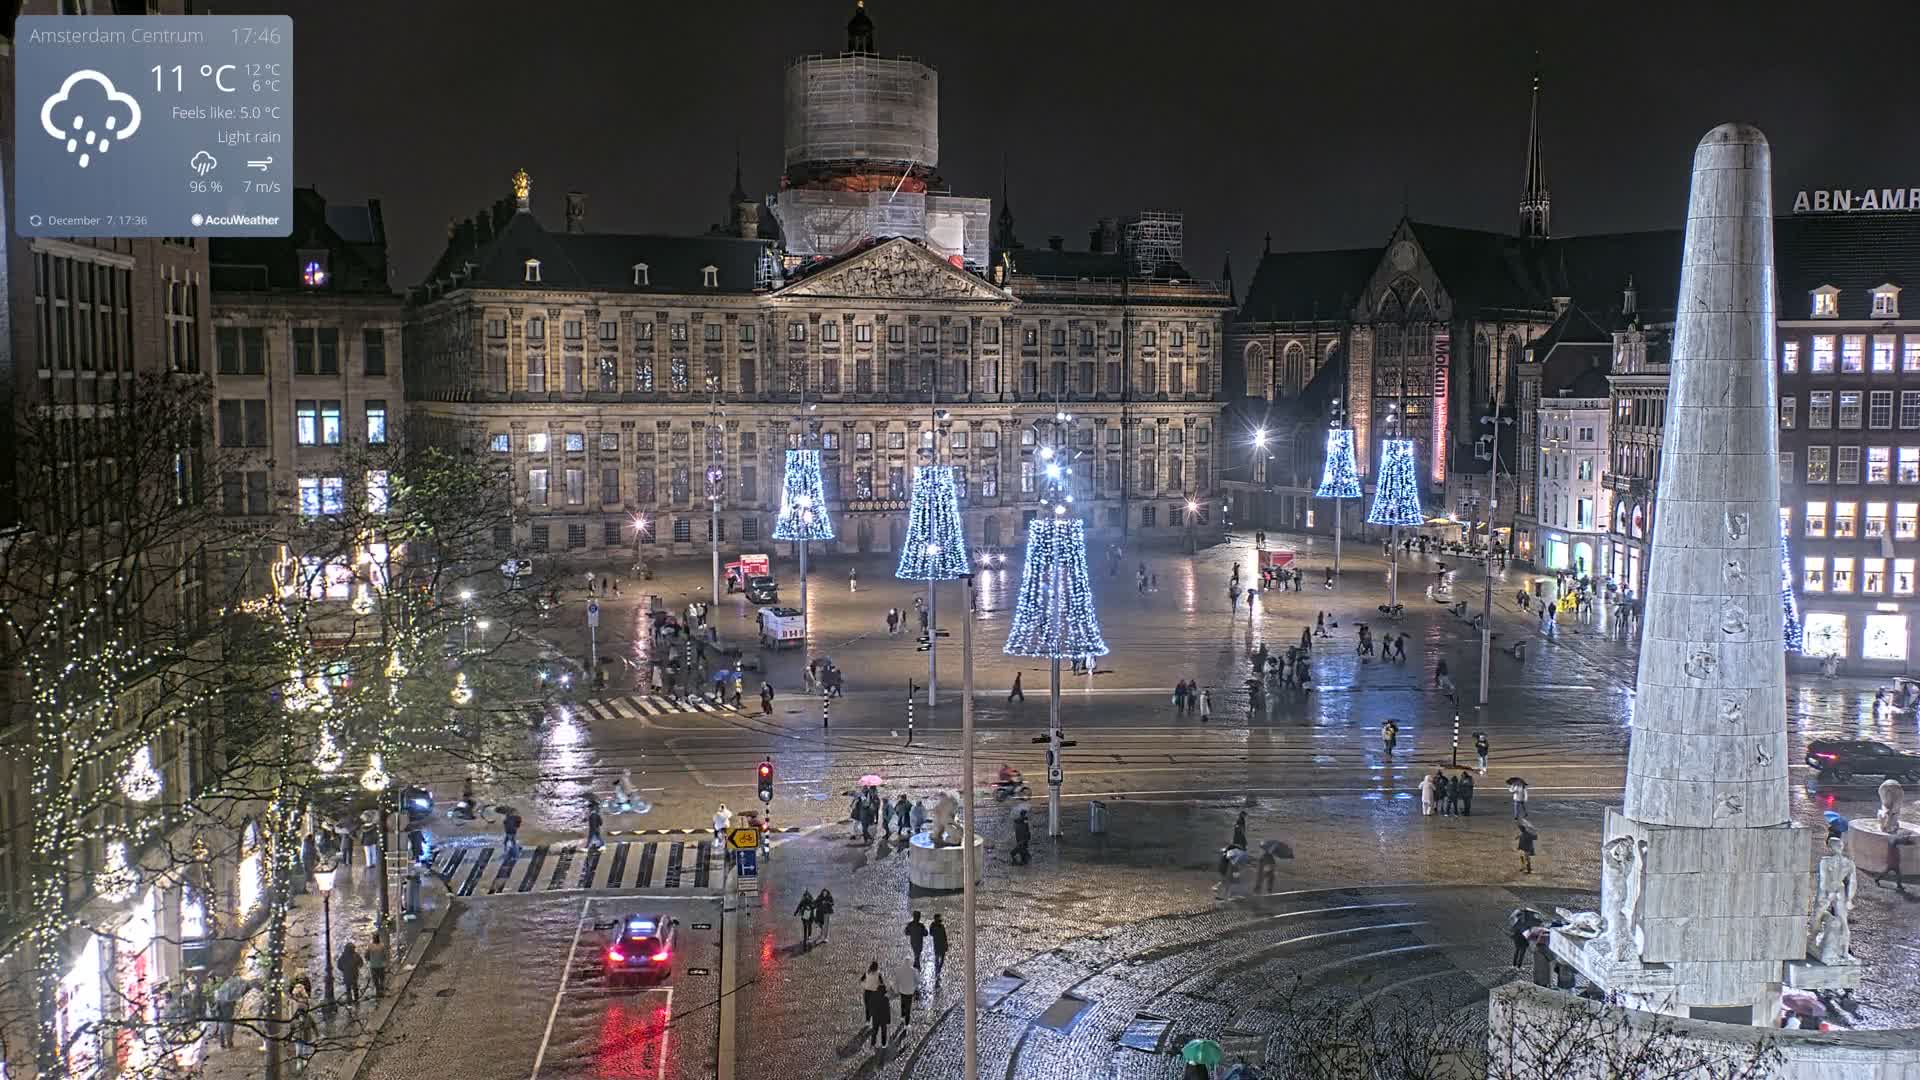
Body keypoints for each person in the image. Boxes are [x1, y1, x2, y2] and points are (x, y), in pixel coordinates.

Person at [861, 961, 890, 1048]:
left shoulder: (867, 972)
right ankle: (873, 1019)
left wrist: (866, 985)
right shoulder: (878, 974)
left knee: (867, 1007)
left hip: (867, 992)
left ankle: (867, 1021)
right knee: (873, 1006)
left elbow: (861, 980)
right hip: (874, 992)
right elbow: (881, 983)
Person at [337, 940, 363, 1005]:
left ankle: (350, 1002)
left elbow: (339, 965)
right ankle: (355, 1001)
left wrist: (343, 970)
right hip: (353, 975)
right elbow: (361, 963)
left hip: (348, 975)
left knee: (349, 989)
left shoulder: (343, 956)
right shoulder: (355, 955)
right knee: (354, 988)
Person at [365, 932, 389, 997]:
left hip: (373, 966)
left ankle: (378, 991)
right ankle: (382, 991)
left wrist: (368, 960)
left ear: (373, 939)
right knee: (381, 979)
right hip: (381, 965)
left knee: (375, 980)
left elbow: (366, 955)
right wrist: (386, 963)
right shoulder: (382, 945)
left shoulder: (370, 946)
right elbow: (384, 956)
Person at [929, 913, 949, 978]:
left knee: (942, 960)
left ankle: (938, 970)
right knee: (937, 959)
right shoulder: (933, 926)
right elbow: (931, 933)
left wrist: (946, 944)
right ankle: (937, 971)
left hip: (941, 944)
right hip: (937, 944)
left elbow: (944, 936)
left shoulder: (941, 926)